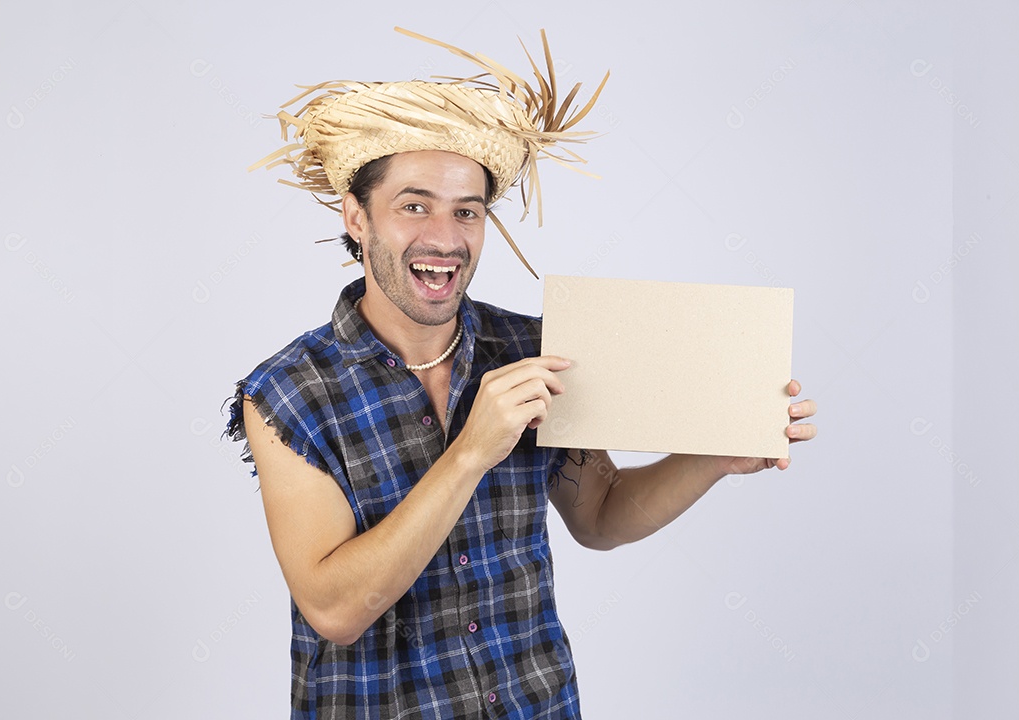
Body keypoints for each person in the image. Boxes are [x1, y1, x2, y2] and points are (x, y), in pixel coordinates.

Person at [226, 28, 817, 719]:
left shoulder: (530, 347)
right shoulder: (287, 395)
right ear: (356, 216)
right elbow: (333, 610)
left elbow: (598, 515)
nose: (445, 237)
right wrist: (472, 451)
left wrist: (711, 455)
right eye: (414, 205)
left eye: (467, 211)